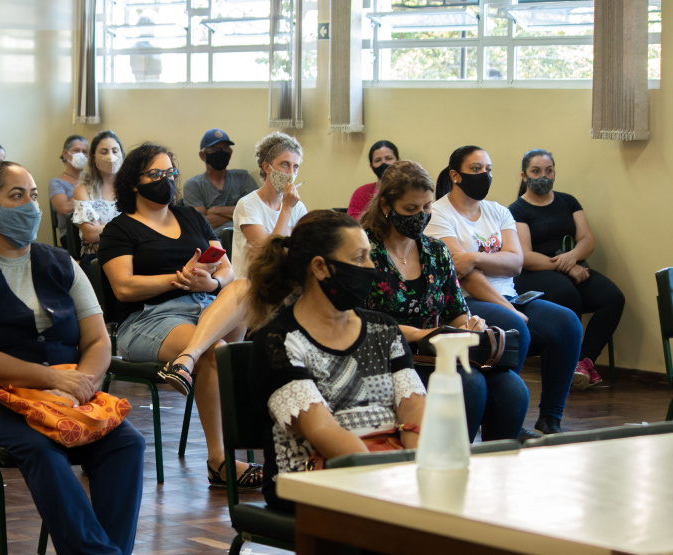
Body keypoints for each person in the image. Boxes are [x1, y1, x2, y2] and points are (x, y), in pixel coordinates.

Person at [0, 161, 143, 555]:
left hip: (67, 398)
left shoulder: (62, 263)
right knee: (42, 448)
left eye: (32, 196)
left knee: (126, 443)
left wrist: (83, 385)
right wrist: (50, 380)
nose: (30, 206)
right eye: (16, 196)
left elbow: (98, 339)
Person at [98, 142, 261, 489]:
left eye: (170, 173)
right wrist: (180, 279)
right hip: (148, 320)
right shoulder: (120, 229)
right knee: (219, 353)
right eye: (155, 174)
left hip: (205, 308)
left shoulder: (190, 216)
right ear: (133, 183)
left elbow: (227, 269)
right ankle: (219, 460)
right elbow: (123, 288)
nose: (166, 180)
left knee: (245, 287)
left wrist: (210, 281)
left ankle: (188, 358)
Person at [246, 210, 426, 513]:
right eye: (359, 259)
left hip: (389, 479)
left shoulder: (384, 329)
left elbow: (415, 411)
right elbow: (324, 433)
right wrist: (393, 483)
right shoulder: (279, 340)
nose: (372, 268)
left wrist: (417, 472)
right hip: (311, 486)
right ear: (320, 268)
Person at [361, 160, 528, 442]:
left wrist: (472, 324)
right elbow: (360, 322)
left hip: (435, 350)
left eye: (426, 207)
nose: (421, 216)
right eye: (410, 209)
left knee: (513, 389)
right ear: (387, 207)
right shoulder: (364, 251)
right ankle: (453, 463)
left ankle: (494, 468)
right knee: (469, 383)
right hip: (387, 357)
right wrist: (428, 335)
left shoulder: (435, 250)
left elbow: (455, 310)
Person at [426, 145, 582, 436]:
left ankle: (550, 417)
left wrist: (474, 257)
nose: (484, 175)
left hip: (509, 296)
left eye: (488, 169)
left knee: (567, 323)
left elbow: (516, 263)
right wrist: (507, 306)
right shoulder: (438, 214)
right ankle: (508, 417)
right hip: (467, 303)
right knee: (513, 327)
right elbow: (465, 276)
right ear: (455, 175)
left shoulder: (497, 211)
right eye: (476, 169)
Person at [508, 149, 624, 390]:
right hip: (535, 274)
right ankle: (565, 366)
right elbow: (526, 256)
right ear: (524, 175)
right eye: (536, 171)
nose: (544, 176)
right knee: (568, 295)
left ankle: (583, 361)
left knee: (612, 298)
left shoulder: (568, 201)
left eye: (548, 171)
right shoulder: (517, 210)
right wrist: (569, 268)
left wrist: (572, 259)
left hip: (572, 265)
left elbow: (587, 240)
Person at [231, 132, 307, 279]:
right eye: (285, 165)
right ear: (267, 167)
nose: (291, 173)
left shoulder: (298, 207)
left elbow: (306, 251)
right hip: (251, 288)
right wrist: (287, 208)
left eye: (295, 167)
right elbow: (269, 258)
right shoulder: (248, 204)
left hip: (284, 285)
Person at [182, 128, 258, 233]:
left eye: (224, 149)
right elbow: (199, 223)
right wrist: (237, 214)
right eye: (214, 149)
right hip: (211, 243)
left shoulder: (244, 178)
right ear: (203, 155)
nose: (220, 153)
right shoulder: (193, 185)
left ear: (230, 153)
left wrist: (216, 210)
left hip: (243, 239)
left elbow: (255, 212)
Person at [73, 131, 122, 275]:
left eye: (115, 151)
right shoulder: (83, 190)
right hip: (96, 256)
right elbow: (91, 234)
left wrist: (101, 226)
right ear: (94, 158)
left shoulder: (131, 188)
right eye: (104, 152)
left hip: (130, 252)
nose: (111, 156)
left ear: (122, 154)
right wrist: (129, 224)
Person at [49, 135, 89, 244]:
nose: (81, 155)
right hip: (72, 235)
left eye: (85, 151)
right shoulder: (56, 182)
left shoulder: (93, 180)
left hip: (96, 227)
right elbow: (64, 208)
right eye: (76, 150)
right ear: (65, 154)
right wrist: (87, 194)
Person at [347, 139, 398, 219]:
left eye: (388, 158)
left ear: (398, 161)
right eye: (378, 160)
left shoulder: (408, 191)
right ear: (371, 166)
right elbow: (353, 225)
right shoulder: (362, 193)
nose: (383, 163)